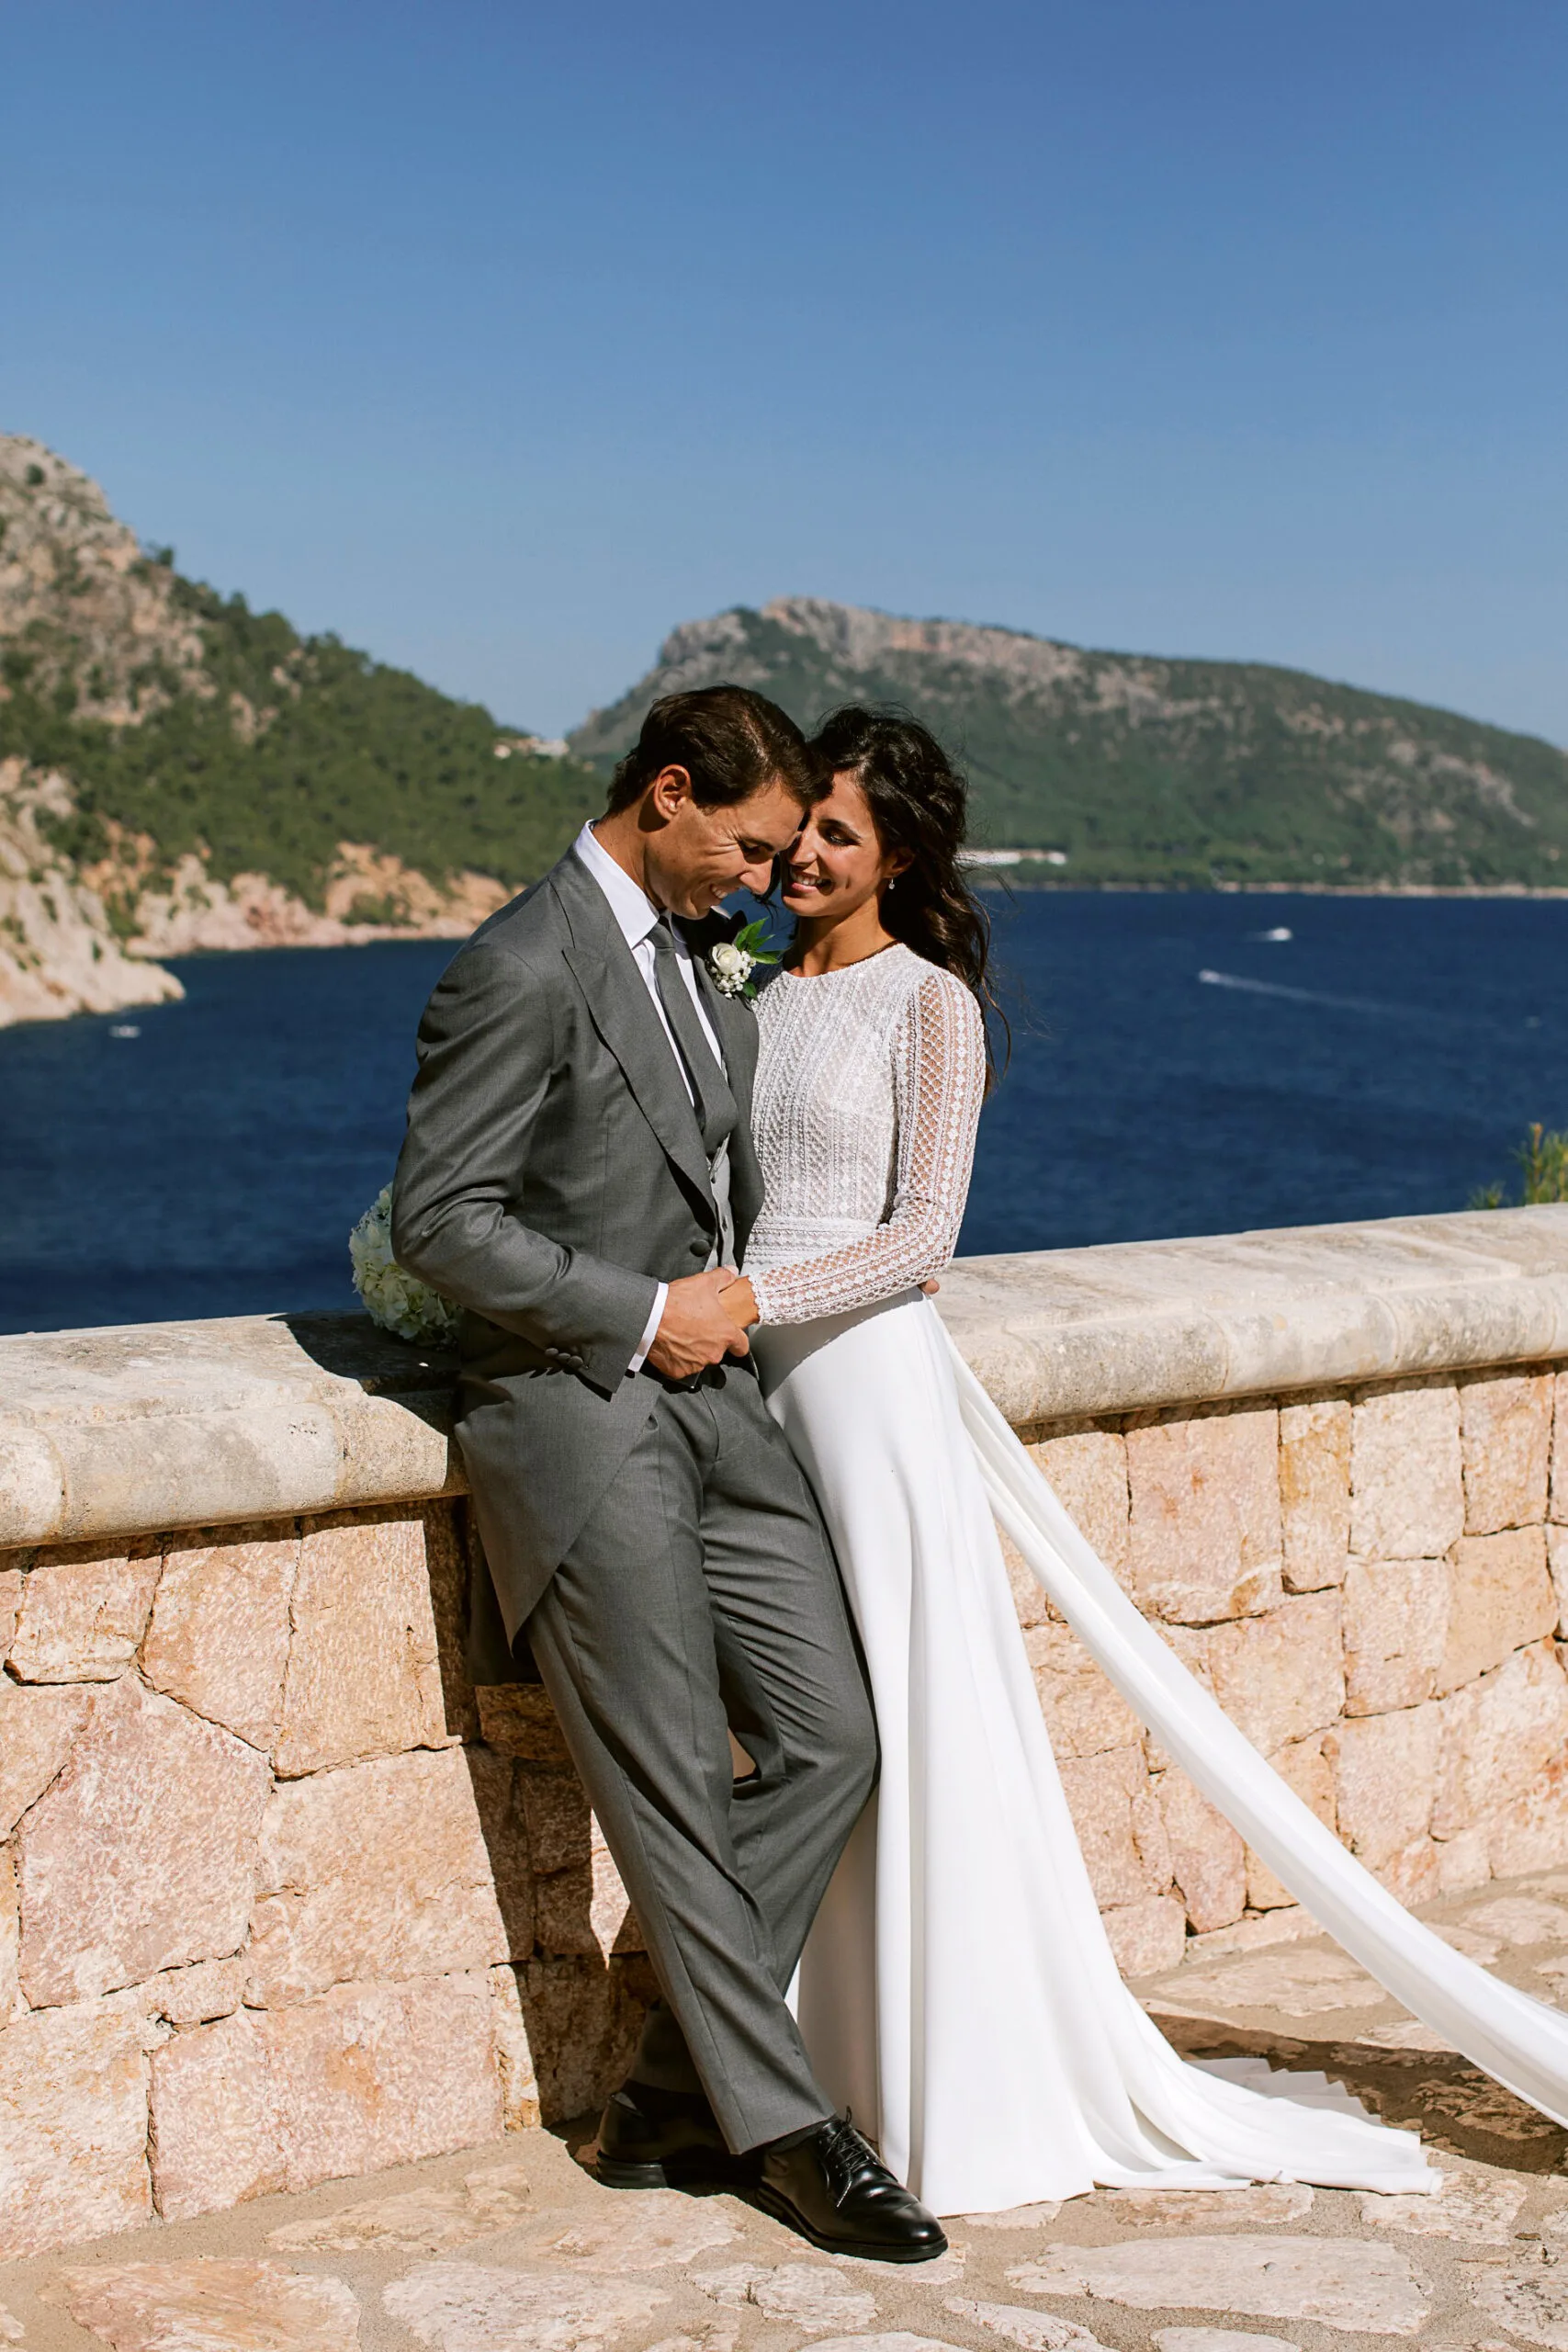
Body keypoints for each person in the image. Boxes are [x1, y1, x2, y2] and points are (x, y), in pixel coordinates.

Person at [719, 705, 1568, 2216]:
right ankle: (810, 2062)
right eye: (799, 828)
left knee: (909, 1729)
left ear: (896, 858)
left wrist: (753, 1297)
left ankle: (946, 2079)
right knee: (808, 1722)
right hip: (753, 1394)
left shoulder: (926, 1005)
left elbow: (924, 1238)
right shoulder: (751, 992)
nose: (800, 854)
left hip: (864, 1393)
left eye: (837, 834)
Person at [391, 685, 947, 2262]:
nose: (768, 881)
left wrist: (715, 1317)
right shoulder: (514, 962)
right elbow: (442, 1219)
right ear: (671, 794)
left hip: (725, 1416)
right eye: (753, 847)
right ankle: (785, 2127)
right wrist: (642, 1314)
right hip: (579, 1419)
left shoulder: (706, 968)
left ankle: (658, 2092)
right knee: (674, 1797)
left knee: (836, 1739)